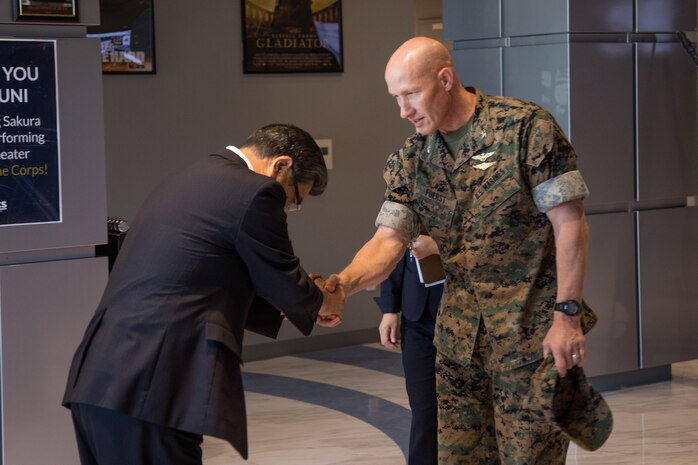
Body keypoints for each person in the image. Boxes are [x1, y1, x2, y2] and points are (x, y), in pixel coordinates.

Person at [324, 37, 592, 464]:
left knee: (530, 457)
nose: (403, 110)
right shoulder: (411, 159)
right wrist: (342, 286)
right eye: (396, 98)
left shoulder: (524, 128)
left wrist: (567, 316)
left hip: (530, 338)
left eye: (411, 94)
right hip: (457, 345)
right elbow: (387, 240)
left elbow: (570, 223)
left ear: (446, 79)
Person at [62, 123, 346, 465]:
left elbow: (203, 274)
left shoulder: (193, 175)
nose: (287, 207)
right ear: (281, 165)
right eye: (294, 198)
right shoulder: (257, 191)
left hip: (102, 379)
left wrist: (289, 300)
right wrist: (324, 298)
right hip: (150, 388)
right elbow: (285, 280)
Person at [374, 234, 443, 465]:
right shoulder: (407, 210)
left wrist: (437, 246)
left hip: (463, 317)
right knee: (423, 410)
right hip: (416, 319)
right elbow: (392, 250)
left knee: (466, 410)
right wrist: (389, 309)